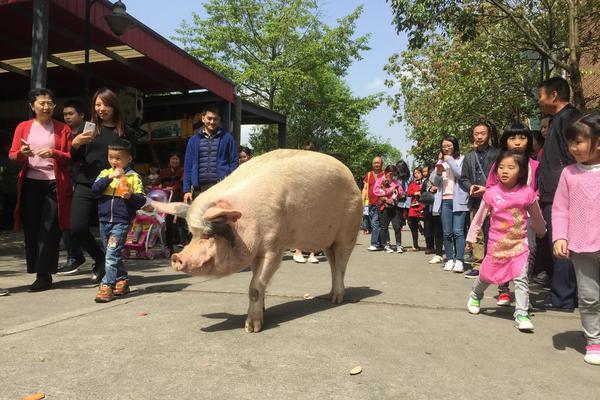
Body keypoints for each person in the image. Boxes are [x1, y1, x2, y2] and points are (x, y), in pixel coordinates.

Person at [466, 150, 546, 332]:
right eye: (501, 167)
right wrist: (471, 237)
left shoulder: (527, 193)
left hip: (519, 244)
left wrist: (542, 231)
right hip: (497, 245)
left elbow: (536, 216)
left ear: (521, 171)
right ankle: (475, 294)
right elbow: (479, 218)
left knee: (521, 278)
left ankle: (521, 313)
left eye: (511, 167)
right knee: (486, 275)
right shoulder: (491, 193)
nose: (505, 171)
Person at [8, 88, 72, 291]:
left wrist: (53, 153)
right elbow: (12, 155)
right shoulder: (23, 127)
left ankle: (44, 275)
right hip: (30, 183)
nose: (46, 107)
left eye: (50, 103)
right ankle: (37, 270)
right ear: (32, 106)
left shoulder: (63, 128)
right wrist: (22, 153)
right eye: (42, 103)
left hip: (55, 183)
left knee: (50, 227)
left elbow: (70, 157)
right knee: (33, 228)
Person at [69, 88, 135, 283]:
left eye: (106, 104)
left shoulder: (125, 131)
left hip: (112, 187)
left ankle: (113, 273)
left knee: (109, 232)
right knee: (77, 227)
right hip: (86, 183)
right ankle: (100, 259)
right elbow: (73, 159)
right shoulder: (88, 128)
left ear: (114, 106)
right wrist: (75, 144)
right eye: (98, 105)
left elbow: (131, 159)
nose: (101, 109)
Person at [552, 114, 600, 364]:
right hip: (581, 245)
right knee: (589, 295)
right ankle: (594, 340)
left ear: (598, 142)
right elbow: (560, 208)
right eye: (570, 143)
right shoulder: (569, 173)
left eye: (579, 142)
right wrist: (560, 236)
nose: (573, 148)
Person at [537, 77, 582, 310]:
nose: (540, 102)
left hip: (560, 193)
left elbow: (573, 156)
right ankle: (564, 294)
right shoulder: (557, 120)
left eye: (541, 96)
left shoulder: (571, 119)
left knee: (561, 244)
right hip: (550, 192)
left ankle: (563, 297)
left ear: (554, 95)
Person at [91, 138, 145, 302]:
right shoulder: (104, 174)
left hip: (121, 222)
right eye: (110, 157)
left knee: (112, 254)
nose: (114, 161)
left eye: (118, 158)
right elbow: (95, 190)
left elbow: (141, 200)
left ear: (129, 159)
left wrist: (130, 196)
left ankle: (107, 285)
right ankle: (122, 280)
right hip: (104, 220)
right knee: (111, 253)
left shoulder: (134, 177)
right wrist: (109, 178)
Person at [459, 122, 500, 278]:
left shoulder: (497, 154)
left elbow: (502, 176)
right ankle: (478, 264)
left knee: (494, 231)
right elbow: (463, 178)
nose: (479, 136)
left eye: (483, 133)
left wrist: (487, 188)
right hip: (476, 200)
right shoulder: (469, 157)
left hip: (495, 199)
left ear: (488, 135)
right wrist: (470, 187)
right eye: (476, 133)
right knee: (477, 233)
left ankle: (494, 264)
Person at [182, 107, 239, 203]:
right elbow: (188, 166)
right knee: (199, 217)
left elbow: (234, 162)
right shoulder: (193, 140)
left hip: (221, 188)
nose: (212, 122)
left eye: (215, 119)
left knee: (219, 217)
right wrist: (186, 190)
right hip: (199, 189)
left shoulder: (227, 138)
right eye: (209, 118)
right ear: (203, 118)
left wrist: (232, 184)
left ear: (219, 120)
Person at [57, 100, 87, 275]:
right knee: (66, 221)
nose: (67, 117)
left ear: (81, 115)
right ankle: (75, 256)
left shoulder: (89, 131)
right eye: (65, 114)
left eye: (71, 113)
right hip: (66, 180)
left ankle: (79, 257)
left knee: (73, 223)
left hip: (84, 182)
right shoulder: (63, 132)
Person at [431, 135, 468, 272]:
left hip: (459, 200)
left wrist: (449, 160)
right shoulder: (441, 161)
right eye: (444, 146)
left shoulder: (462, 159)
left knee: (458, 231)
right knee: (447, 233)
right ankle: (449, 259)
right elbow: (435, 181)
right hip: (444, 201)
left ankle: (459, 260)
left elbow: (460, 174)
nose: (446, 148)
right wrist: (439, 172)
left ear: (455, 145)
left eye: (449, 145)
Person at [294, 141, 320, 263]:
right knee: (301, 225)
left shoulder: (318, 166)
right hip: (301, 199)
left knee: (314, 225)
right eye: (306, 152)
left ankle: (312, 254)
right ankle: (298, 251)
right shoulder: (299, 167)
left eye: (310, 152)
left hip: (315, 199)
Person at [373, 165, 404, 253]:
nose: (392, 176)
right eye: (391, 173)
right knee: (384, 227)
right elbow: (376, 191)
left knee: (397, 226)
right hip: (383, 206)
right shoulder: (380, 180)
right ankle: (386, 245)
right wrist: (390, 191)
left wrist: (397, 194)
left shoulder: (396, 182)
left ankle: (398, 245)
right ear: (386, 172)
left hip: (394, 207)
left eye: (393, 174)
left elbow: (400, 191)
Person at [159, 152, 186, 252]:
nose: (175, 161)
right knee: (168, 224)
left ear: (180, 161)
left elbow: (181, 184)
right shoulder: (163, 172)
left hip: (179, 200)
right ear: (169, 160)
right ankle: (169, 247)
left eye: (177, 159)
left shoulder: (183, 171)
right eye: (173, 159)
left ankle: (185, 244)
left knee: (182, 223)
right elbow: (158, 182)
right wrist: (153, 186)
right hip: (167, 201)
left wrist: (172, 188)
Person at [422, 165, 444, 263]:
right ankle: (430, 247)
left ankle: (440, 250)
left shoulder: (444, 179)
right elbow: (423, 192)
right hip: (429, 208)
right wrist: (429, 189)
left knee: (438, 230)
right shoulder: (426, 182)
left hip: (441, 206)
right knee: (428, 228)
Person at [364, 156, 384, 251]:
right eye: (374, 163)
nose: (376, 164)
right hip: (370, 203)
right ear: (372, 164)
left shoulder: (385, 175)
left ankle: (374, 244)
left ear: (381, 163)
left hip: (381, 203)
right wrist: (362, 200)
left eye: (378, 163)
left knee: (374, 223)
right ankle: (381, 243)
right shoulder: (368, 174)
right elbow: (365, 188)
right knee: (375, 224)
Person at [406, 167, 425, 251]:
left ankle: (430, 246)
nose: (416, 175)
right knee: (413, 227)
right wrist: (415, 193)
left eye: (418, 173)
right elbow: (408, 193)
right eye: (415, 173)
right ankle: (415, 245)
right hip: (414, 207)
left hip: (423, 207)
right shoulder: (412, 184)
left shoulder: (425, 182)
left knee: (427, 227)